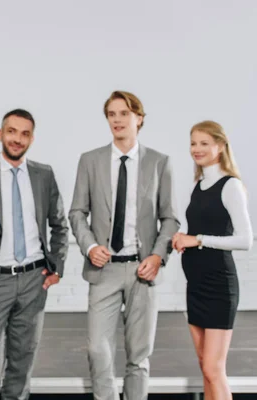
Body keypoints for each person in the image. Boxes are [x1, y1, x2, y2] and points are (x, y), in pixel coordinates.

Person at [69, 91, 180, 400]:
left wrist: (157, 257)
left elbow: (169, 219)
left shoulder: (160, 162)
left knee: (138, 355)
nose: (116, 120)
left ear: (139, 118)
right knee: (97, 350)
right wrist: (90, 246)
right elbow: (77, 212)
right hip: (103, 270)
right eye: (111, 114)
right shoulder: (90, 161)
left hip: (142, 270)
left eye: (123, 113)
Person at [0, 109, 69, 400]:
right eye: (12, 131)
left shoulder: (44, 174)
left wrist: (57, 265)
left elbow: (59, 225)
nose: (17, 139)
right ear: (0, 134)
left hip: (34, 279)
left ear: (31, 138)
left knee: (23, 358)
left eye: (25, 134)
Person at [172, 121, 252, 400]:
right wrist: (183, 236)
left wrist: (199, 239)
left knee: (213, 368)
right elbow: (199, 230)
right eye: (193, 143)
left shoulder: (230, 185)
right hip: (195, 285)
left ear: (220, 147)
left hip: (219, 287)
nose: (197, 149)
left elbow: (245, 240)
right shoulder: (198, 185)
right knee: (205, 369)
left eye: (204, 143)